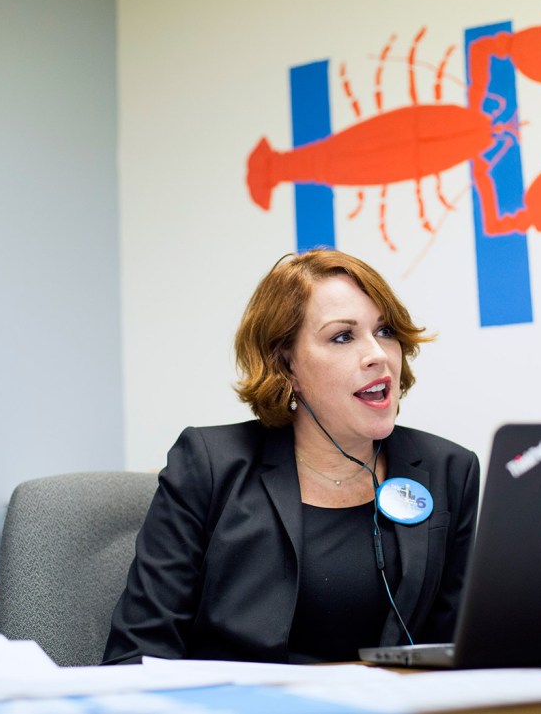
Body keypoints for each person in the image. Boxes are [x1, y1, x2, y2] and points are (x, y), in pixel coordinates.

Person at [102, 249, 480, 664]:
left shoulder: (448, 470)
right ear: (287, 365)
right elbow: (137, 654)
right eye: (343, 336)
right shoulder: (210, 465)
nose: (378, 354)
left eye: (385, 331)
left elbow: (459, 653)